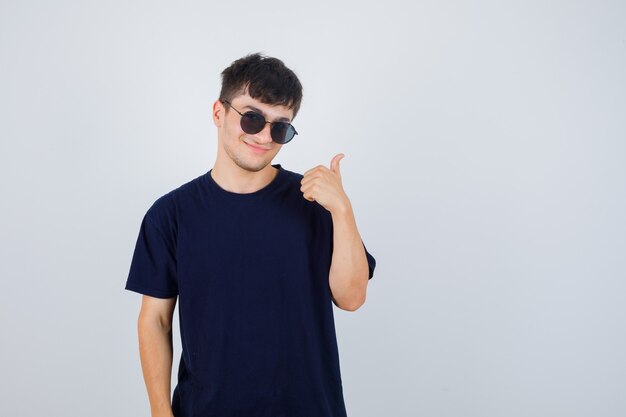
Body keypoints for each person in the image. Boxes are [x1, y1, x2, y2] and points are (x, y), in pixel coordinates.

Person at [125, 53, 377, 417]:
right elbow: (155, 320)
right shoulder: (171, 215)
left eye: (280, 127)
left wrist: (342, 210)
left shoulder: (313, 202)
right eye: (252, 118)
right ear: (218, 113)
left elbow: (351, 297)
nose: (263, 136)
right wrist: (161, 413)